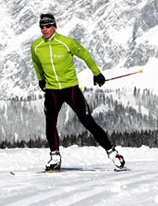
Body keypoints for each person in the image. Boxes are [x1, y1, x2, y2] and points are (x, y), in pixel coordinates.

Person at [31, 13, 125, 170]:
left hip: (71, 89)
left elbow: (85, 55)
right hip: (52, 91)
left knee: (87, 121)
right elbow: (36, 64)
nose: (44, 29)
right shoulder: (36, 47)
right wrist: (41, 79)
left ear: (54, 26)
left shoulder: (67, 43)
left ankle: (113, 153)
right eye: (42, 26)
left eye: (48, 26)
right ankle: (55, 157)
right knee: (50, 124)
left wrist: (97, 73)